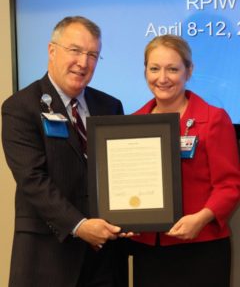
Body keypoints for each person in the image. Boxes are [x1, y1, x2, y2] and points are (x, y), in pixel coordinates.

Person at [1, 16, 129, 287]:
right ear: (52, 50)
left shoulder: (110, 105)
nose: (83, 62)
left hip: (104, 259)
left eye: (93, 54)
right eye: (75, 50)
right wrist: (80, 226)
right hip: (48, 257)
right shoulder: (20, 107)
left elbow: (121, 173)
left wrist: (132, 214)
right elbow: (32, 180)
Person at [128, 34, 240, 287]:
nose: (162, 78)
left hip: (202, 247)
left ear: (189, 71)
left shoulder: (213, 119)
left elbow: (229, 186)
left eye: (173, 69)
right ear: (145, 71)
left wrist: (200, 218)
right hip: (149, 248)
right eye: (154, 68)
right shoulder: (132, 122)